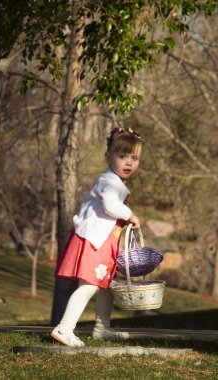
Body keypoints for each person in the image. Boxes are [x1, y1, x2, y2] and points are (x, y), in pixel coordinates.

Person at [51, 127, 142, 347]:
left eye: (134, 158)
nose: (128, 162)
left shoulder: (116, 182)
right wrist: (131, 215)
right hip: (93, 241)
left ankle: (102, 328)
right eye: (122, 156)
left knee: (106, 285)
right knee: (90, 285)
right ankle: (65, 327)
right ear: (108, 157)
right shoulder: (108, 181)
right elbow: (110, 205)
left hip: (103, 242)